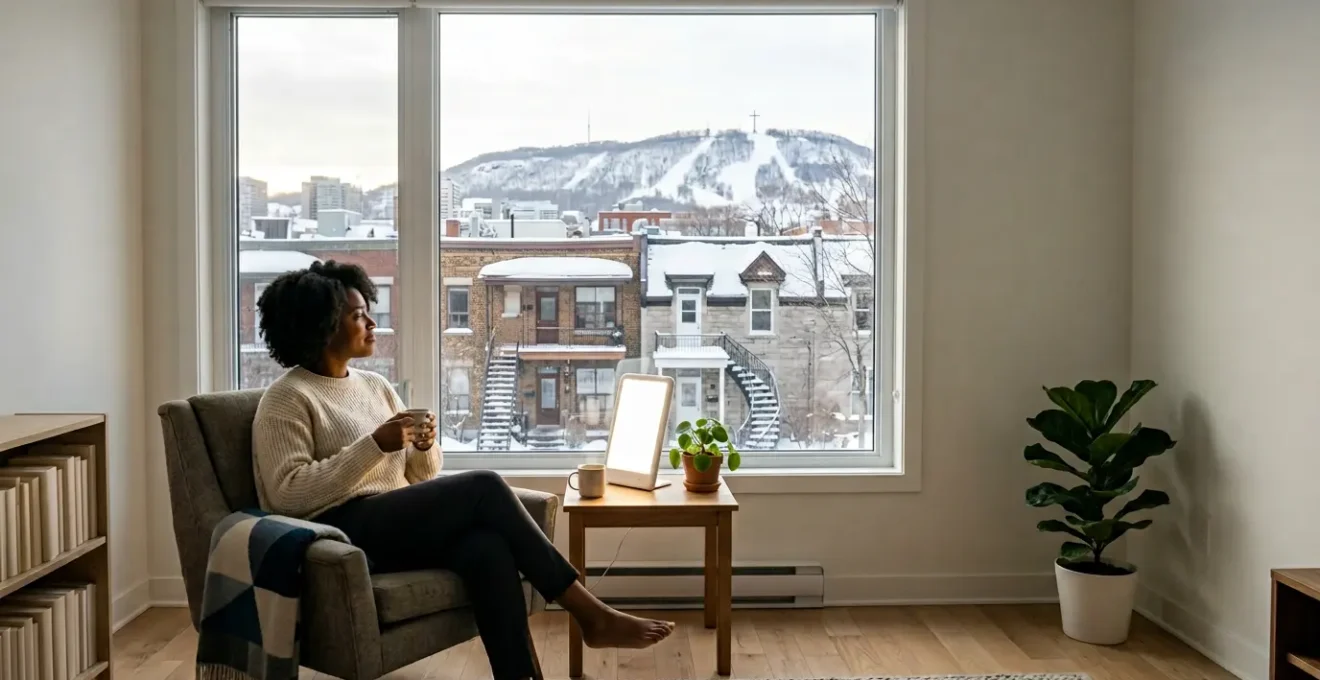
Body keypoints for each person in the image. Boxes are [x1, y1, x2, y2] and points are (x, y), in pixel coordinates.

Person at [250, 260, 674, 680]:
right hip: (342, 530)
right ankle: (589, 612)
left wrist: (423, 446)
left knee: (486, 547)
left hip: (392, 523)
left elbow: (419, 478)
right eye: (358, 316)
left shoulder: (374, 386)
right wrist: (374, 446)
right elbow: (288, 495)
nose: (372, 324)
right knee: (484, 485)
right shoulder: (287, 398)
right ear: (321, 326)